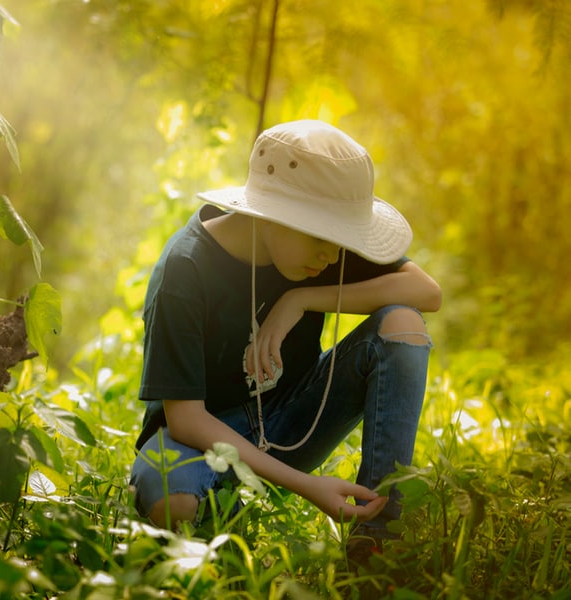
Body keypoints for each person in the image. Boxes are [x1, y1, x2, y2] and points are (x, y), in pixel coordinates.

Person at [129, 120, 442, 549]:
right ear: (270, 215)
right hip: (205, 438)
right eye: (322, 239)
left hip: (295, 417)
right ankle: (214, 527)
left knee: (402, 322)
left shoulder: (319, 250)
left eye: (341, 242)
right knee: (172, 500)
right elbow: (186, 419)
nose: (332, 256)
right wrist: (307, 486)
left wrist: (302, 299)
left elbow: (427, 292)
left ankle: (377, 540)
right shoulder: (185, 269)